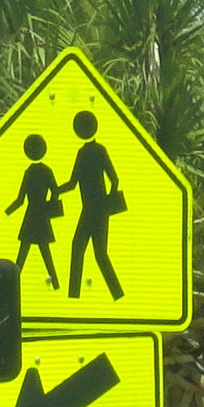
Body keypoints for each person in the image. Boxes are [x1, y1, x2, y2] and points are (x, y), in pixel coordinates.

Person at [64, 109, 126, 302]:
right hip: (93, 209)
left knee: (88, 250)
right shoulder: (87, 152)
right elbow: (75, 183)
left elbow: (114, 178)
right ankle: (113, 294)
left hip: (95, 210)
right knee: (91, 251)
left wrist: (106, 203)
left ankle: (78, 295)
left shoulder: (91, 152)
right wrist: (56, 191)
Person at [6, 136, 63, 290]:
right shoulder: (46, 171)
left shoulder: (30, 172)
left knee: (24, 253)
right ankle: (56, 284)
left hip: (32, 215)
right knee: (43, 252)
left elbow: (20, 199)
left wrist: (7, 212)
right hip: (41, 215)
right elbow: (55, 192)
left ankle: (12, 284)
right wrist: (48, 206)